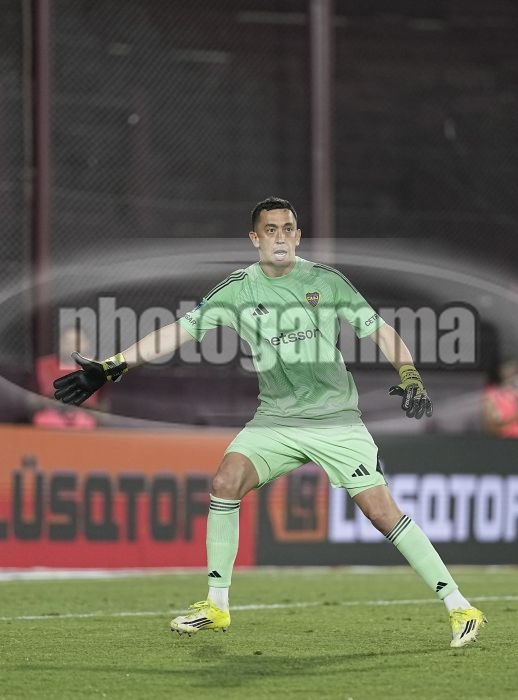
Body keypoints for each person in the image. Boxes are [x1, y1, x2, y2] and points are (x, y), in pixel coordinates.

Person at [53, 196, 486, 648]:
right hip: (276, 418)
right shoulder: (237, 290)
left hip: (334, 419)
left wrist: (410, 374)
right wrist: (113, 365)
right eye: (271, 229)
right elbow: (177, 332)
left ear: (298, 236)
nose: (280, 237)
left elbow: (380, 330)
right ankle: (216, 604)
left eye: (288, 228)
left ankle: (460, 607)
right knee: (226, 481)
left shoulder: (325, 281)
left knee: (380, 512)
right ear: (255, 238)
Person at [482, 359, 518, 438]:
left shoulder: (514, 391)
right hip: (505, 440)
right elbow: (492, 426)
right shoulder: (491, 393)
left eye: (514, 367)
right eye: (507, 367)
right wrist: (513, 418)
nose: (512, 371)